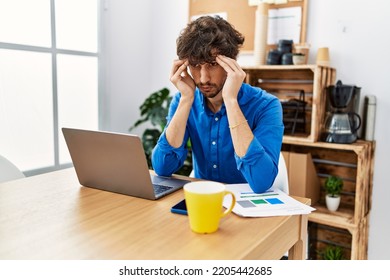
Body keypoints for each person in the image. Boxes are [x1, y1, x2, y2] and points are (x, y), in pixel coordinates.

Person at [151, 16, 284, 193]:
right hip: (203, 200)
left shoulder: (267, 105)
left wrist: (231, 101)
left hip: (247, 203)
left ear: (231, 62)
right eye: (195, 65)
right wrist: (185, 100)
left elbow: (261, 182)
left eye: (213, 64)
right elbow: (163, 168)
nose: (204, 78)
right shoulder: (184, 100)